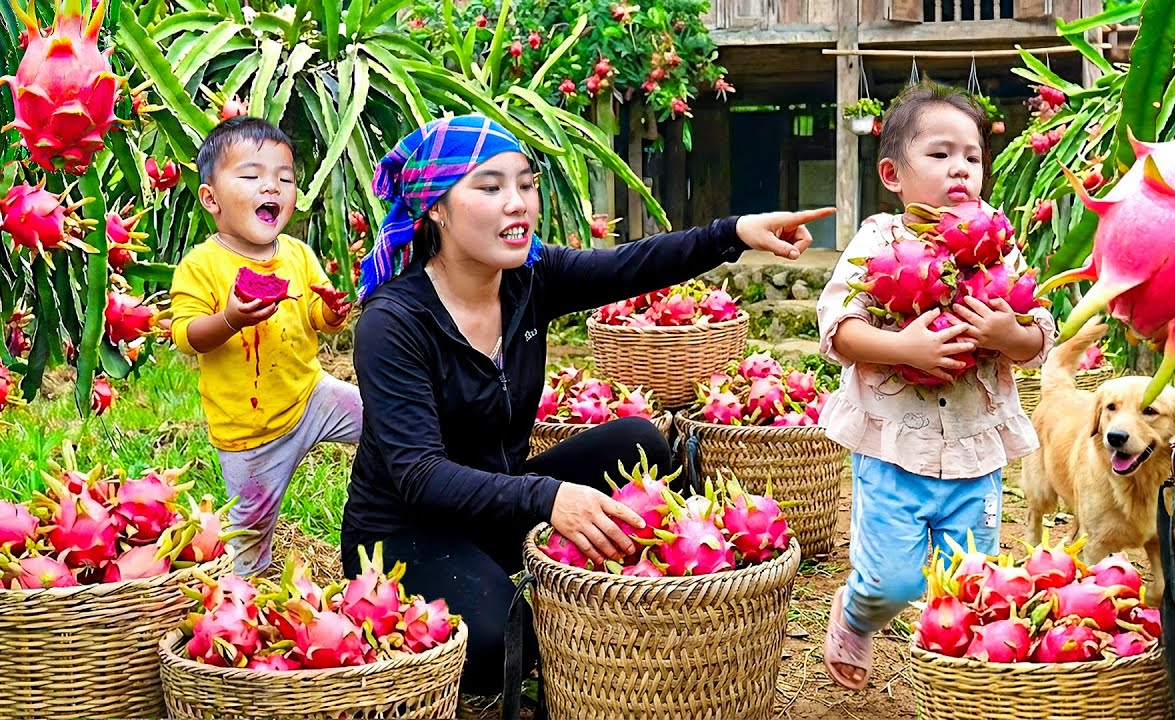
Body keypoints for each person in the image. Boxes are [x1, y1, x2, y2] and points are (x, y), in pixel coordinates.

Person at [342, 113, 833, 693]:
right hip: (406, 534)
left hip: (498, 508)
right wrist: (548, 496)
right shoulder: (394, 322)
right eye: (490, 186)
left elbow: (634, 264)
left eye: (525, 184)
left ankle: (629, 580)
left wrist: (735, 232)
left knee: (640, 443)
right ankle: (505, 590)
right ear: (436, 209)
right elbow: (418, 475)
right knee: (510, 640)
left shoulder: (530, 277)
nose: (517, 203)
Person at [814, 82, 1056, 690]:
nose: (961, 170)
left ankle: (963, 689)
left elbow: (1038, 338)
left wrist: (1008, 333)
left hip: (976, 453)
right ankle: (854, 614)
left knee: (970, 581)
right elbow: (837, 328)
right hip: (896, 450)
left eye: (972, 157)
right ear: (893, 173)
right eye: (941, 154)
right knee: (894, 582)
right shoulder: (878, 242)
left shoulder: (999, 250)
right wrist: (902, 347)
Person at [169, 117, 361, 578]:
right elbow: (187, 335)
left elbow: (315, 315)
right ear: (211, 198)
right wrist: (231, 318)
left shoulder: (297, 254)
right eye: (252, 176)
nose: (271, 186)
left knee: (387, 418)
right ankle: (245, 594)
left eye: (284, 178)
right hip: (249, 434)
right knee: (250, 535)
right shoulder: (202, 265)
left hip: (311, 395)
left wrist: (331, 314)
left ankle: (399, 496)